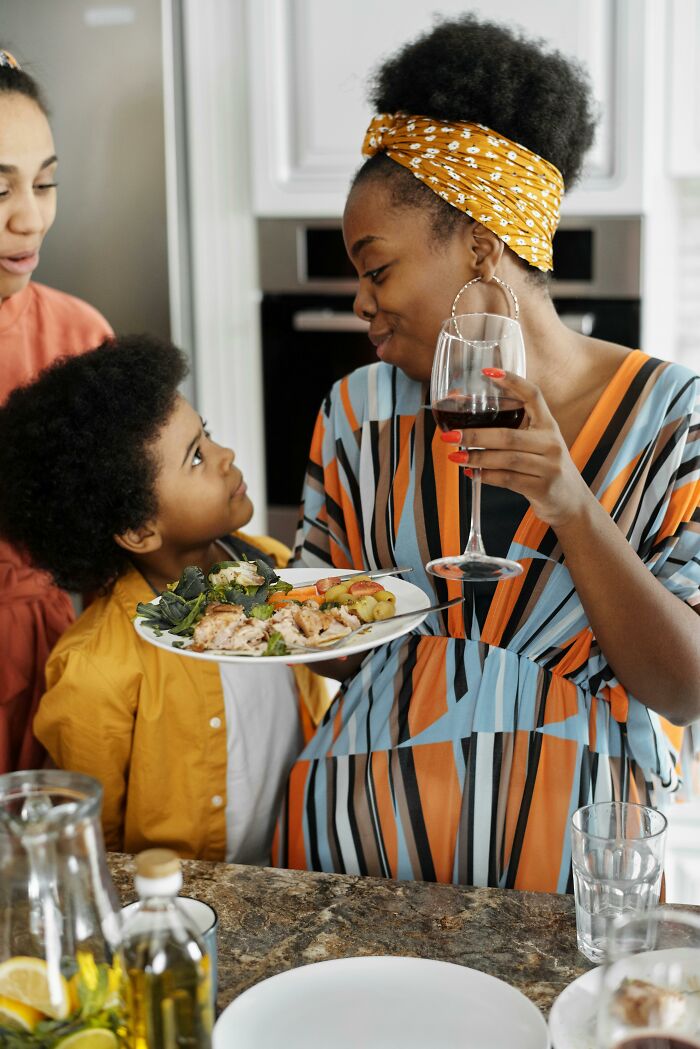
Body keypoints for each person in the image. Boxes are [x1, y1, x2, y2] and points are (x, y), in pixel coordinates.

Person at [275, 15, 700, 892]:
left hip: (575, 869)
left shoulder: (673, 418)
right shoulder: (357, 412)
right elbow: (327, 644)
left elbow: (685, 686)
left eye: (377, 267)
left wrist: (572, 504)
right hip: (354, 852)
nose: (359, 302)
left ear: (479, 241)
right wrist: (257, 603)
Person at [0, 334, 329, 861]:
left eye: (210, 436)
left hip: (297, 867)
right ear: (137, 528)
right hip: (186, 904)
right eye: (196, 457)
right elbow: (94, 848)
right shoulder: (95, 671)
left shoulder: (276, 569)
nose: (226, 456)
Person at [0, 49, 112, 773]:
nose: (30, 218)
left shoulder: (79, 338)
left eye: (46, 184)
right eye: (0, 188)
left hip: (54, 676)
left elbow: (123, 538)